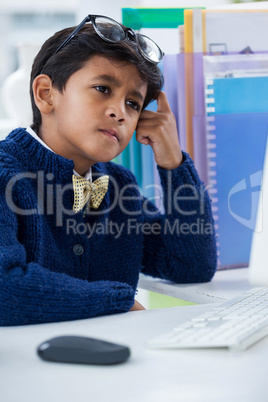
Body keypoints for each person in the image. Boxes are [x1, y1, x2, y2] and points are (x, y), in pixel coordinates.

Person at [0, 15, 217, 326]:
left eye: (133, 104)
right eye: (102, 88)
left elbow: (191, 265)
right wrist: (119, 301)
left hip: (113, 367)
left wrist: (174, 163)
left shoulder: (118, 185)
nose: (119, 112)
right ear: (46, 94)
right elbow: (5, 290)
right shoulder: (5, 173)